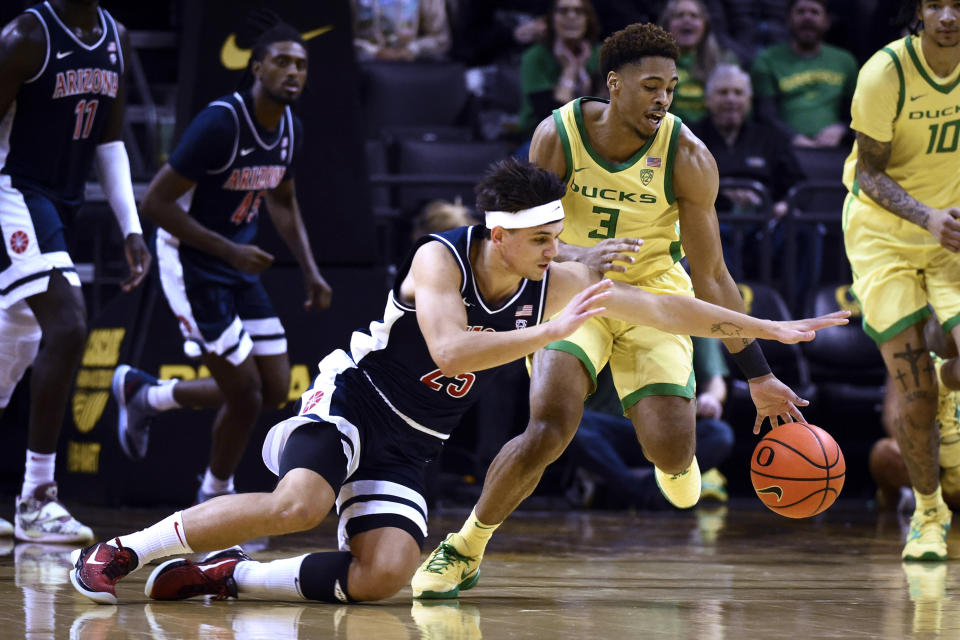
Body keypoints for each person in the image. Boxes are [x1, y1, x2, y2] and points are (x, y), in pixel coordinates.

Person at [69, 157, 847, 606]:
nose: (558, 250)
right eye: (545, 239)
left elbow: (664, 306)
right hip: (354, 401)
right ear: (500, 235)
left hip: (412, 443)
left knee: (385, 580)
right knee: (297, 503)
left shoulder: (551, 271)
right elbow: (447, 351)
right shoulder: (439, 258)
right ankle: (122, 552)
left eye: (559, 237)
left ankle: (231, 577)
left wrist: (765, 334)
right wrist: (546, 331)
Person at [413, 22, 824, 600]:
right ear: (614, 84)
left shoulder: (688, 155)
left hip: (654, 293)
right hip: (572, 286)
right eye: (651, 85)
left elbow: (711, 275)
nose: (663, 98)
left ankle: (678, 466)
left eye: (672, 88)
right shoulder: (557, 136)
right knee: (549, 423)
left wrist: (758, 373)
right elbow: (523, 229)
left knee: (671, 444)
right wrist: (582, 254)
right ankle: (464, 548)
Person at [110, 23, 333, 504]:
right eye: (281, 61)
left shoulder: (290, 127)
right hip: (189, 262)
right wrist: (230, 251)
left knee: (274, 388)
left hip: (235, 263)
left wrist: (310, 269)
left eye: (301, 64)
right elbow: (155, 203)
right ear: (256, 67)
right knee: (245, 394)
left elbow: (283, 198)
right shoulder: (221, 122)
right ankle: (214, 498)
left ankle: (147, 397)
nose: (293, 71)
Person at [0, 0, 150, 542]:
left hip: (61, 201)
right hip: (13, 191)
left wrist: (129, 224)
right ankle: (38, 497)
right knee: (67, 324)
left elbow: (109, 140)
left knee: (12, 350)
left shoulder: (117, 35)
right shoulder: (24, 37)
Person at [842, 0, 960, 561]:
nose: (947, 16)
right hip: (883, 234)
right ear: (920, 10)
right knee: (915, 390)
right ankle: (930, 514)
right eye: (937, 3)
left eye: (958, 5)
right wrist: (928, 217)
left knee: (945, 367)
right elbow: (869, 173)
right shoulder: (885, 72)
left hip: (952, 232)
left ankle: (944, 346)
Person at [690, 64, 816, 308]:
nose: (731, 100)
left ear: (749, 100)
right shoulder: (691, 136)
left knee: (804, 233)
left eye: (738, 93)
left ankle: (798, 313)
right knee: (708, 237)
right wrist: (718, 193)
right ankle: (724, 316)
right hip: (714, 224)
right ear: (708, 99)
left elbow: (799, 186)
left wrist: (783, 206)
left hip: (764, 227)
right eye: (723, 92)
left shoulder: (770, 138)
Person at [567, 337, 734, 509]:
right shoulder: (604, 318)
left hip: (666, 432)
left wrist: (711, 398)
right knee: (572, 423)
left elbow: (715, 381)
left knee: (719, 434)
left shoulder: (690, 319)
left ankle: (631, 490)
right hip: (610, 430)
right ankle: (649, 492)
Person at [871, 318, 960, 513]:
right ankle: (902, 506)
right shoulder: (912, 345)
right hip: (935, 459)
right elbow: (892, 419)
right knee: (884, 453)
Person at [750, 0, 858, 148]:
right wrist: (793, 138)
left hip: (836, 149)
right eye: (800, 12)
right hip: (785, 148)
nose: (807, 17)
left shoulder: (845, 61)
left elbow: (858, 112)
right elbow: (765, 116)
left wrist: (842, 128)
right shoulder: (767, 59)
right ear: (788, 20)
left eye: (815, 12)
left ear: (827, 22)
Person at [516, 0, 603, 137]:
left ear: (588, 18)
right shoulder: (535, 57)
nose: (571, 16)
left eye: (579, 11)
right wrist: (569, 71)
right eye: (563, 11)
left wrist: (583, 74)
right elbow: (552, 124)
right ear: (551, 19)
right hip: (540, 137)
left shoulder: (600, 54)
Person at [659, 0, 738, 125]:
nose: (687, 20)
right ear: (667, 24)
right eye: (679, 15)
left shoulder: (725, 62)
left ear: (705, 25)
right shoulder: (653, 64)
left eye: (694, 16)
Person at [351, 0, 451, 61]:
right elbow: (341, 36)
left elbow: (440, 37)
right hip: (363, 66)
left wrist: (412, 50)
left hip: (413, 68)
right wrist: (373, 51)